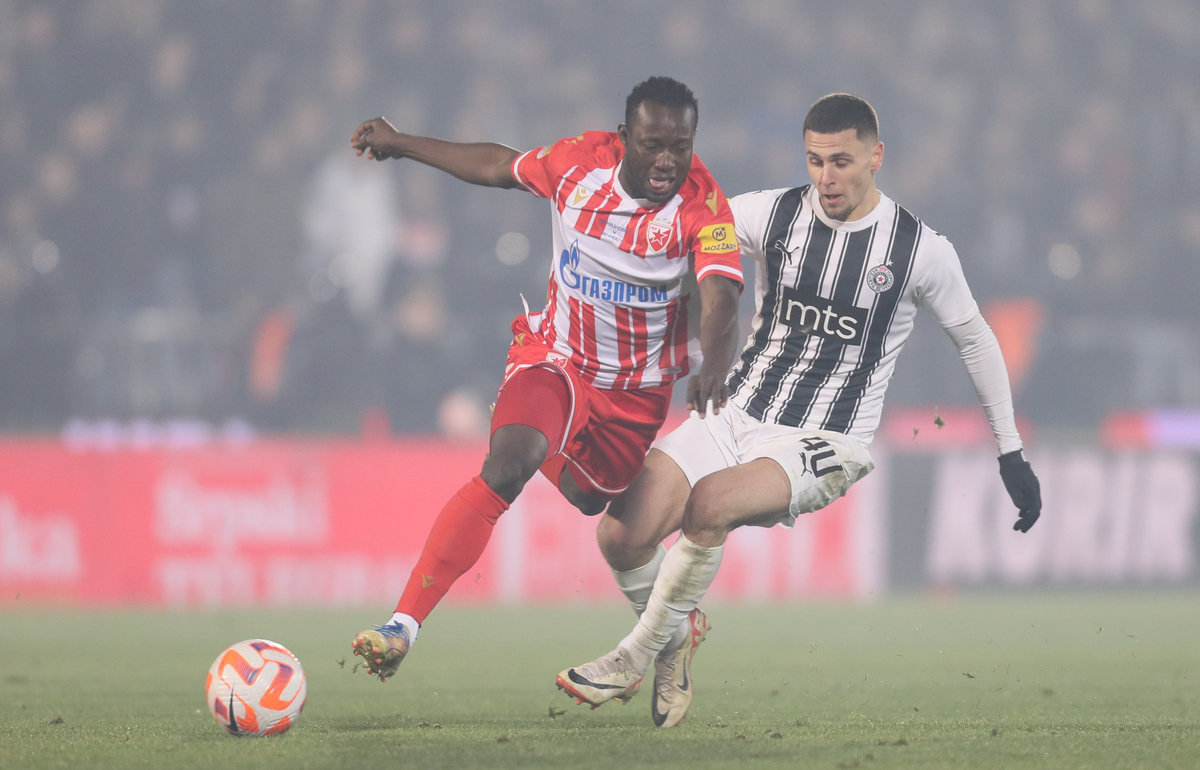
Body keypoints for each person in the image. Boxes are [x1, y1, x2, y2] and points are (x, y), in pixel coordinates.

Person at [556, 93, 1043, 728]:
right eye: (814, 160)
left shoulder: (919, 249)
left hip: (826, 438)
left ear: (876, 156)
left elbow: (976, 339)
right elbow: (702, 228)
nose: (826, 177)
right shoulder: (770, 214)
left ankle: (634, 654)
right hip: (734, 412)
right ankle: (676, 639)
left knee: (710, 506)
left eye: (842, 161)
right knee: (619, 535)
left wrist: (1010, 453)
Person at [347, 76, 744, 683]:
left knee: (592, 498)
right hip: (555, 355)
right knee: (509, 464)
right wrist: (402, 144)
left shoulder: (704, 206)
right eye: (652, 143)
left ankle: (529, 430)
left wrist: (714, 363)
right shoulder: (578, 163)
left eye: (680, 145)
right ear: (624, 138)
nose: (667, 160)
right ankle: (402, 624)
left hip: (635, 390)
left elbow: (720, 297)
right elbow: (498, 165)